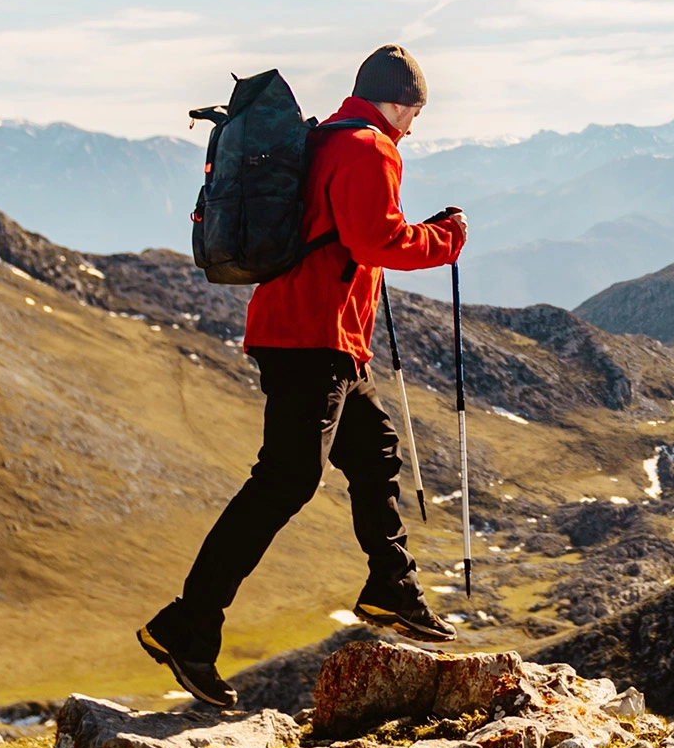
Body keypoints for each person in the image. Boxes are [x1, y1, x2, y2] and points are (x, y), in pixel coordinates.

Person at [137, 44, 469, 707]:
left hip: (318, 336)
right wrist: (446, 239)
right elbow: (376, 242)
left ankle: (391, 589)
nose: (413, 128)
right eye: (416, 114)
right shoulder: (370, 149)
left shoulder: (325, 138)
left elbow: (349, 232)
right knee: (284, 482)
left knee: (374, 453)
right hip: (312, 338)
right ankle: (188, 627)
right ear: (404, 105)